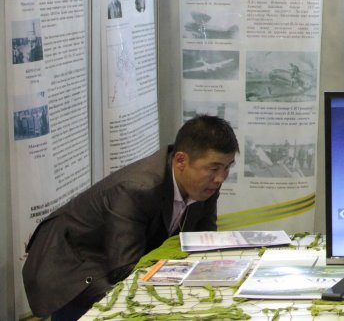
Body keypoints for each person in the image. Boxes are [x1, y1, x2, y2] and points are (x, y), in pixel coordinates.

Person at [22, 115, 239, 321]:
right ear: (181, 160)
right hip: (73, 263)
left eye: (227, 167)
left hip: (118, 256)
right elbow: (124, 269)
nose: (220, 178)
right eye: (213, 168)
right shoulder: (136, 189)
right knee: (133, 303)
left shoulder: (206, 184)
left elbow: (202, 244)